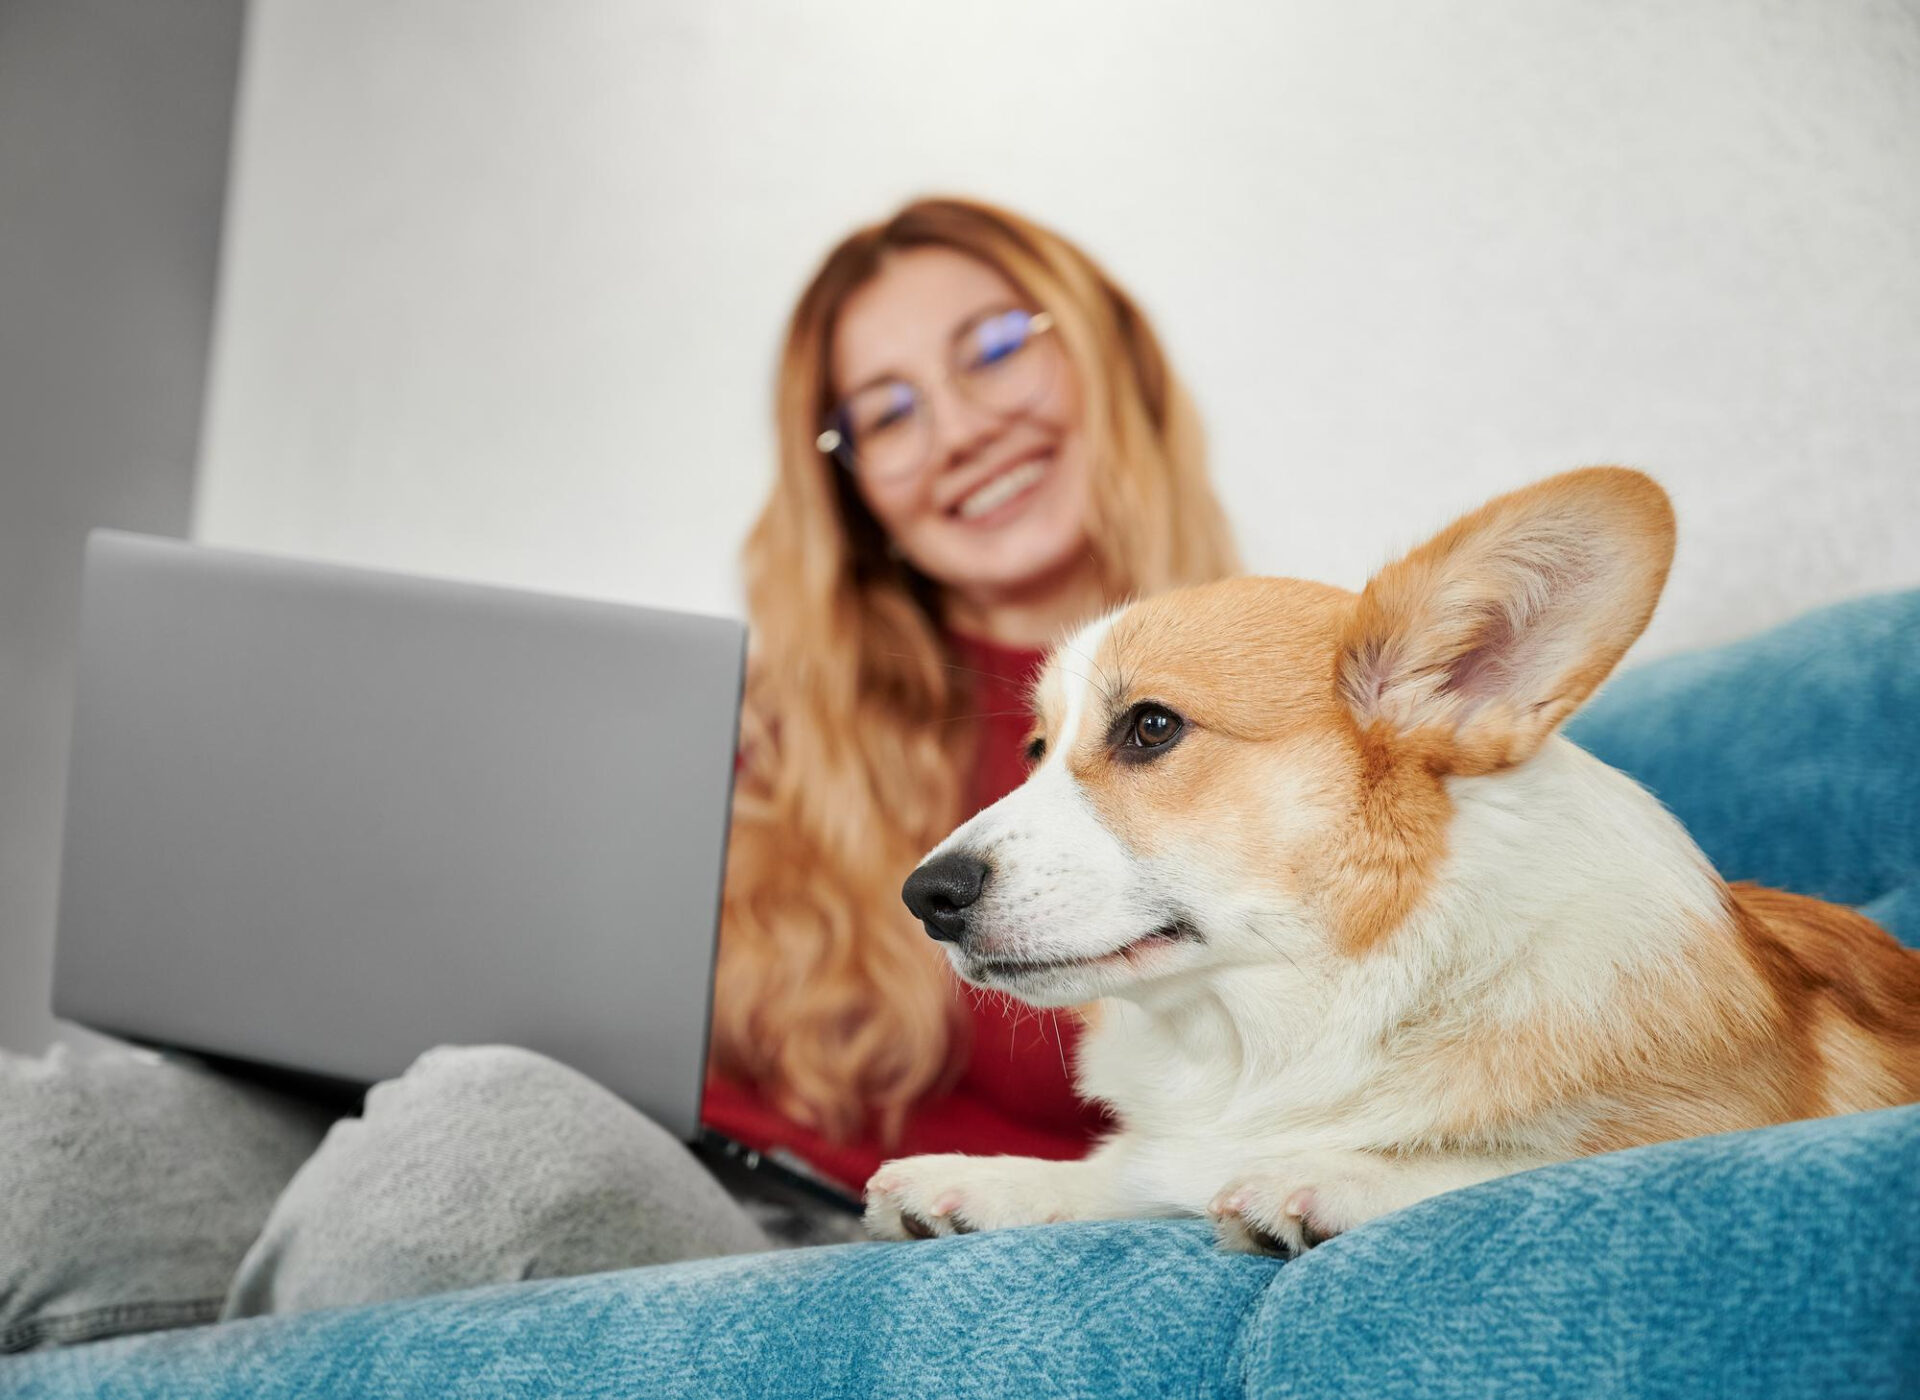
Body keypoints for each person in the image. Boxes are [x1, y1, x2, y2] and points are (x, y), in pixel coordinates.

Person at [0, 196, 1238, 1352]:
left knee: (477, 1144)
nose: (962, 428)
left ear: (1105, 351)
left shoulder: (1253, 726)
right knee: (42, 1148)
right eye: (889, 410)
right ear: (852, 487)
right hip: (565, 1126)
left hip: (833, 1237)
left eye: (996, 347)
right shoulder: (764, 734)